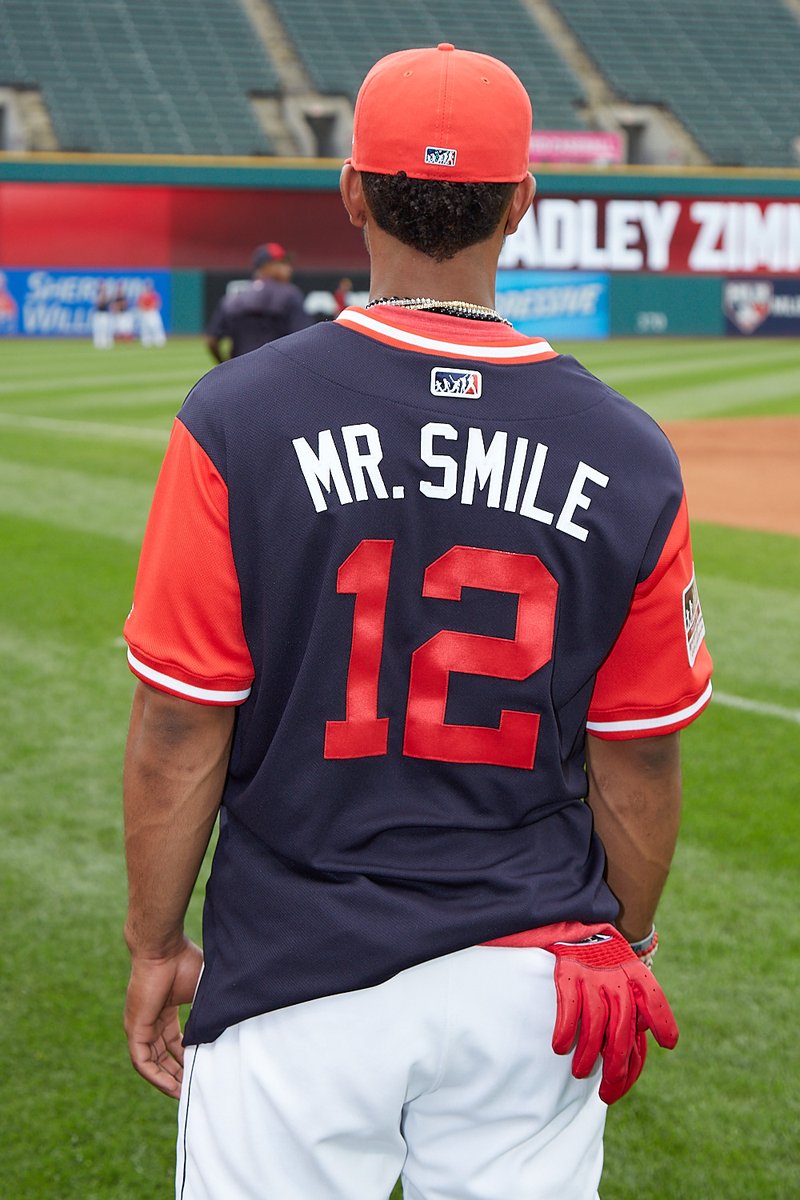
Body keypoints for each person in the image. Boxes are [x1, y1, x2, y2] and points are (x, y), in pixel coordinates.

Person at [122, 43, 713, 1200]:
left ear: (349, 190)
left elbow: (179, 727)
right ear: (523, 204)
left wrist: (154, 944)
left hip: (293, 966)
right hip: (530, 980)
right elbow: (636, 759)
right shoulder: (627, 451)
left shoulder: (233, 419)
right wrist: (626, 941)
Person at [204, 241, 310, 362]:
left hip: (241, 374)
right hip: (276, 373)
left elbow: (212, 341)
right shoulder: (289, 294)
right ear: (266, 266)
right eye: (282, 263)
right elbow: (304, 340)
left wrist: (225, 365)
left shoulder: (233, 298)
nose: (289, 269)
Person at [136, 279, 167, 347]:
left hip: (152, 312)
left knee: (156, 326)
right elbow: (140, 304)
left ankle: (159, 341)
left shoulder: (154, 294)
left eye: (149, 285)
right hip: (144, 313)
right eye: (147, 285)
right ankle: (146, 342)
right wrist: (144, 308)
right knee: (145, 328)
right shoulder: (142, 295)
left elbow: (157, 304)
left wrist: (149, 308)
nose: (148, 287)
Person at [91, 282, 114, 349]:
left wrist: (104, 297)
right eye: (101, 287)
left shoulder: (107, 295)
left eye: (103, 287)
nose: (102, 288)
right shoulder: (96, 295)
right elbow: (98, 303)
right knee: (97, 329)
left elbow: (108, 302)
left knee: (105, 329)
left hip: (105, 313)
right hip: (98, 313)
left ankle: (104, 342)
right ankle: (97, 342)